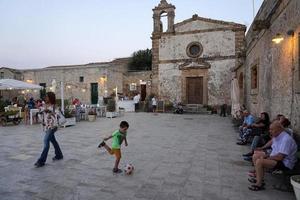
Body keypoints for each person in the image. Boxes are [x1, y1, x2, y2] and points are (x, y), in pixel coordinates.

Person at [248, 121, 297, 191]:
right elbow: (271, 143)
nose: (269, 131)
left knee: (260, 161)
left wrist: (267, 157)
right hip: (277, 158)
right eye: (269, 129)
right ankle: (258, 178)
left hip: (285, 163)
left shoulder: (286, 139)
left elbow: (280, 157)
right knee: (255, 155)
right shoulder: (277, 135)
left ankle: (259, 184)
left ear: (279, 129)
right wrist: (262, 149)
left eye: (272, 129)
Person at [34, 92, 63, 168]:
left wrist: (50, 112)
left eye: (47, 97)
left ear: (51, 98)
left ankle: (41, 161)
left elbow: (58, 115)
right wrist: (40, 110)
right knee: (53, 141)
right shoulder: (44, 105)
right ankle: (59, 155)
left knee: (46, 141)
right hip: (46, 126)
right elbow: (40, 115)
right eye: (45, 97)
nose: (45, 98)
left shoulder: (54, 106)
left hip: (53, 126)